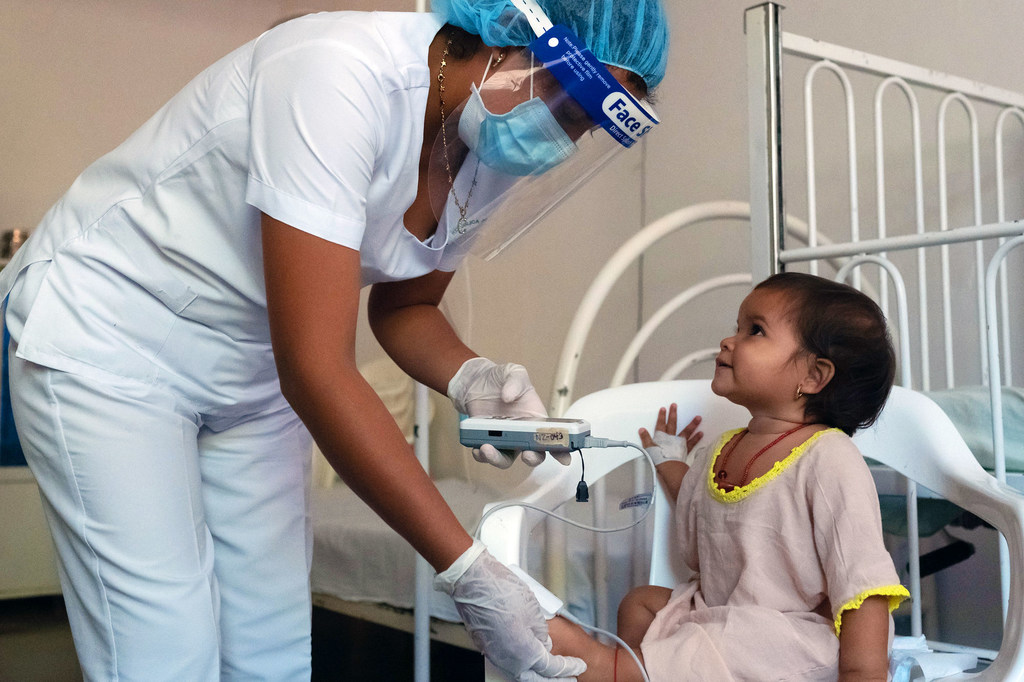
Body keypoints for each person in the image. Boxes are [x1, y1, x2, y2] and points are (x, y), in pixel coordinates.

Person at [0, 1, 669, 680]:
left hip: (254, 363)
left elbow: (406, 306)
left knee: (273, 652)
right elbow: (318, 371)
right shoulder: (336, 73)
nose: (563, 136)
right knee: (163, 652)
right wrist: (468, 569)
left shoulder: (486, 142)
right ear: (515, 33)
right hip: (115, 337)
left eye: (586, 125)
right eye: (571, 102)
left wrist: (472, 378)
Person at [546, 272, 911, 681]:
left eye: (755, 330)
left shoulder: (829, 457)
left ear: (812, 377)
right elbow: (703, 511)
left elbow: (861, 576)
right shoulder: (722, 448)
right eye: (737, 327)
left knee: (729, 639)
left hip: (791, 637)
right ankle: (639, 670)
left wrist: (863, 669)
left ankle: (610, 670)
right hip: (721, 613)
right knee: (640, 603)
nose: (728, 341)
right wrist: (669, 461)